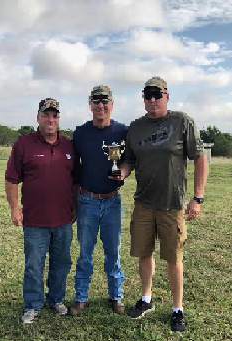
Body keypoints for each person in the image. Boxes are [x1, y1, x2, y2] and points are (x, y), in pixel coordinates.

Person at [116, 76, 208, 332]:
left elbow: (200, 158)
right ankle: (146, 299)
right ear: (143, 98)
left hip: (172, 204)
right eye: (148, 95)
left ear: (167, 96)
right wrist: (121, 173)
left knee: (173, 257)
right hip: (144, 203)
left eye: (158, 95)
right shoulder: (135, 127)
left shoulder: (182, 121)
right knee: (143, 253)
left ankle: (177, 308)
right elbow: (129, 161)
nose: (153, 99)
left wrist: (197, 197)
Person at [4, 98, 76, 324]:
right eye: (46, 115)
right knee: (34, 264)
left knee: (61, 262)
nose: (50, 119)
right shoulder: (23, 144)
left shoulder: (69, 145)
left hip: (64, 218)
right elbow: (11, 179)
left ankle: (56, 299)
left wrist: (75, 206)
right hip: (34, 219)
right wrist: (15, 208)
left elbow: (75, 181)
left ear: (59, 119)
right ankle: (33, 305)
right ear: (38, 118)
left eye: (54, 115)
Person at [69, 85, 127, 316]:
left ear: (112, 105)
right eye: (96, 101)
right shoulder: (80, 133)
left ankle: (116, 296)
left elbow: (130, 161)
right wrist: (75, 202)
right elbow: (74, 170)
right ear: (90, 105)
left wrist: (122, 171)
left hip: (113, 200)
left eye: (105, 101)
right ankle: (81, 297)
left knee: (113, 252)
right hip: (87, 200)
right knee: (85, 253)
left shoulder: (123, 131)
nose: (100, 106)